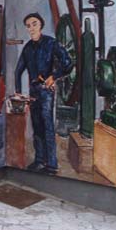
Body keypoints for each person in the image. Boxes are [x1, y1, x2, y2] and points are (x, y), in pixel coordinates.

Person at [14, 13, 73, 175]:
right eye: (28, 26)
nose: (31, 28)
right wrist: (18, 93)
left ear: (41, 25)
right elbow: (18, 71)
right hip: (33, 92)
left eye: (34, 24)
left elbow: (68, 63)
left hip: (46, 92)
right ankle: (39, 160)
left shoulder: (51, 43)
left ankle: (52, 165)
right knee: (37, 127)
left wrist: (54, 77)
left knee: (47, 126)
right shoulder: (27, 48)